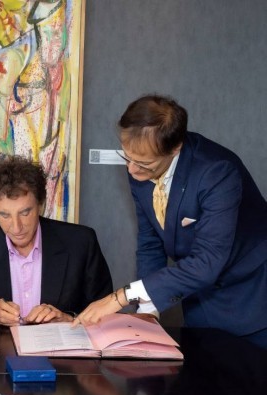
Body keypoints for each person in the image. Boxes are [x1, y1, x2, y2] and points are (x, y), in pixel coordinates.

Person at [75, 95, 267, 342]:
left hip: (251, 298)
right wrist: (147, 310)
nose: (132, 170)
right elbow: (150, 243)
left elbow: (207, 261)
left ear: (175, 148)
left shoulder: (217, 171)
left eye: (143, 163)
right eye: (127, 157)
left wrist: (121, 297)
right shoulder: (139, 165)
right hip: (199, 300)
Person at [0, 156, 113, 325]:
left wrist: (69, 319)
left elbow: (107, 315)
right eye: (4, 215)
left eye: (25, 213)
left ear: (41, 204)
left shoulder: (81, 243)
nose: (16, 227)